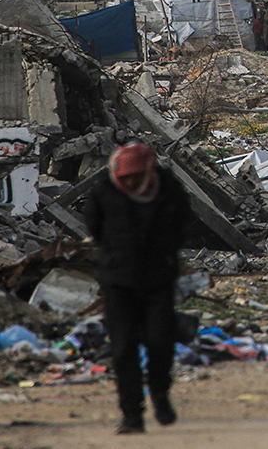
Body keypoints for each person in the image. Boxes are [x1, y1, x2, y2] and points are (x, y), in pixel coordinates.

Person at [82, 142, 191, 434]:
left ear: (148, 171)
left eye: (135, 176)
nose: (130, 182)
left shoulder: (167, 189)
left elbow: (183, 224)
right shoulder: (105, 190)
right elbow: (94, 226)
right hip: (118, 281)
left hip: (158, 279)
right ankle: (132, 414)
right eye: (125, 177)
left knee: (159, 341)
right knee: (123, 348)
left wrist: (166, 254)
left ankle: (160, 395)